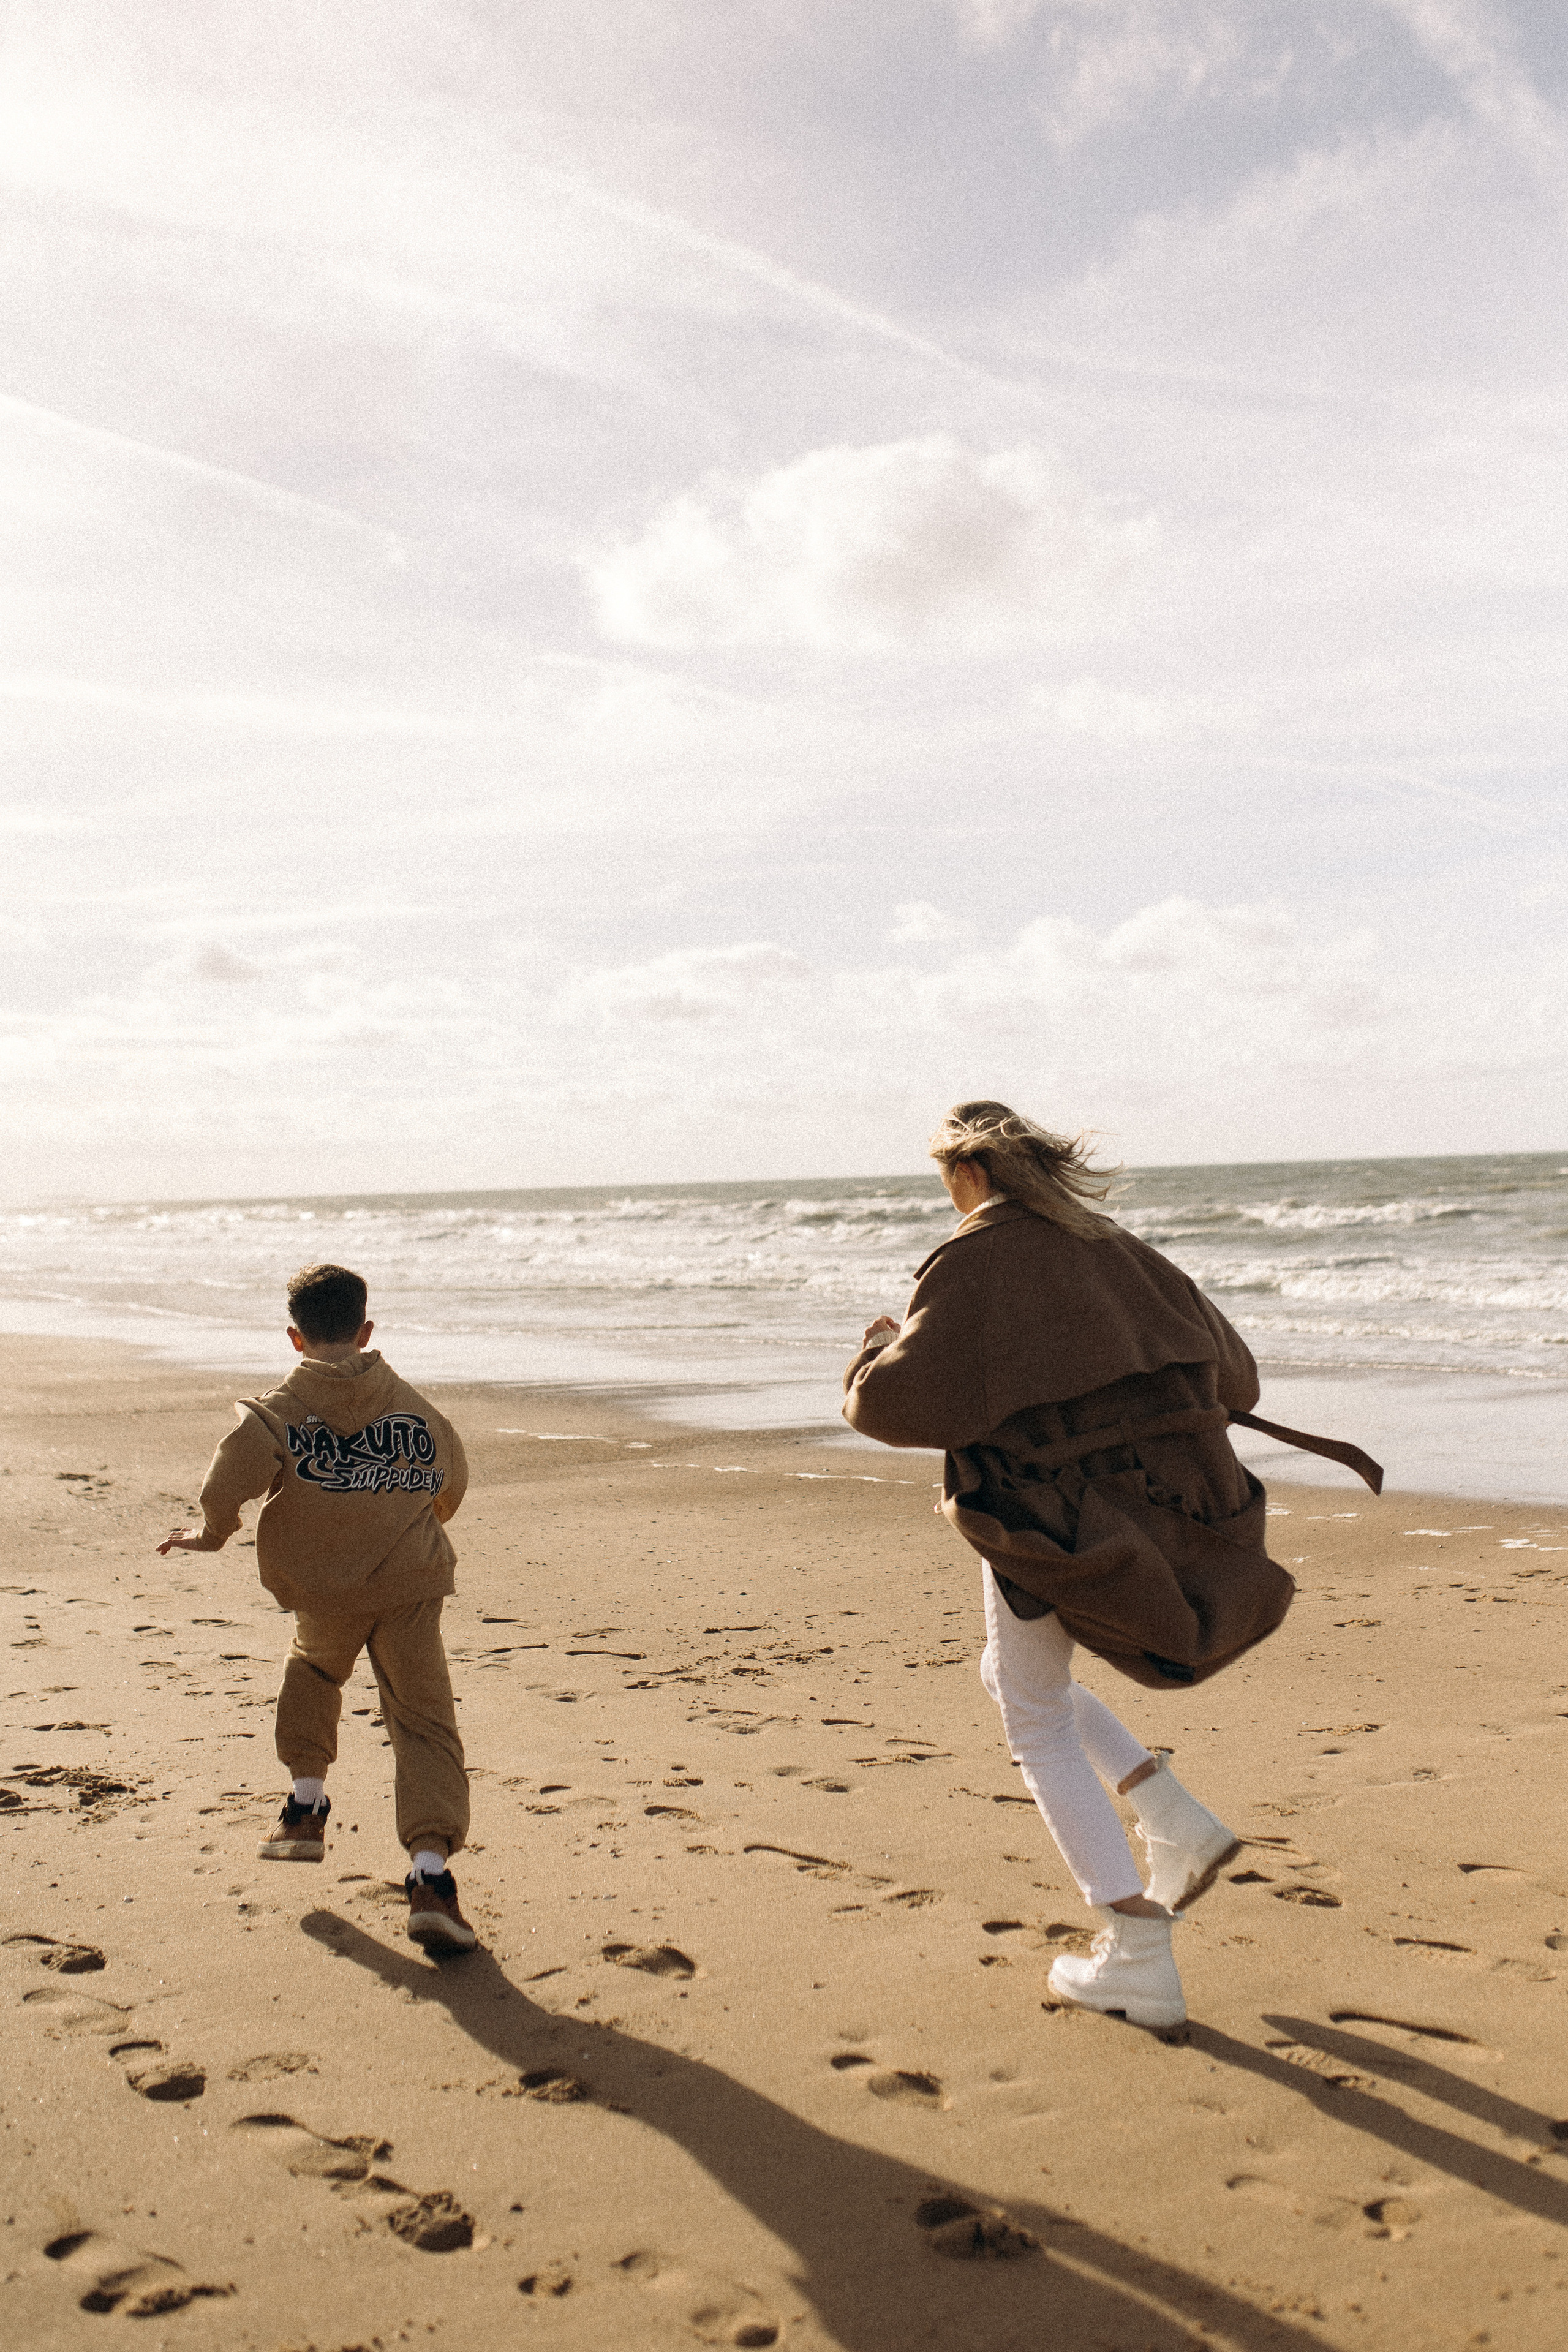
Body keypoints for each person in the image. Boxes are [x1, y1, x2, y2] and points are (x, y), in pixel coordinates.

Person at [843, 1102, 1275, 2032]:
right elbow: (1238, 1381)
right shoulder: (1119, 1247)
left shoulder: (972, 1257)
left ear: (968, 1175)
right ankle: (1170, 1815)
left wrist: (874, 1353)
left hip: (1051, 1520)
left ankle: (1136, 1946)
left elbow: (896, 1406)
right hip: (1153, 1511)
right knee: (1011, 1677)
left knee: (1032, 1715)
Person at [157, 1262, 477, 1953]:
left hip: (327, 1588)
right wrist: (407, 1521)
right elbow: (450, 1474)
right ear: (365, 1330)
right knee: (424, 1722)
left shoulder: (279, 1410)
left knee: (313, 1671)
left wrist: (210, 1536)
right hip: (411, 1583)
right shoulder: (412, 1405)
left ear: (296, 1338)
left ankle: (305, 1809)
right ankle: (430, 1878)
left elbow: (228, 1477)